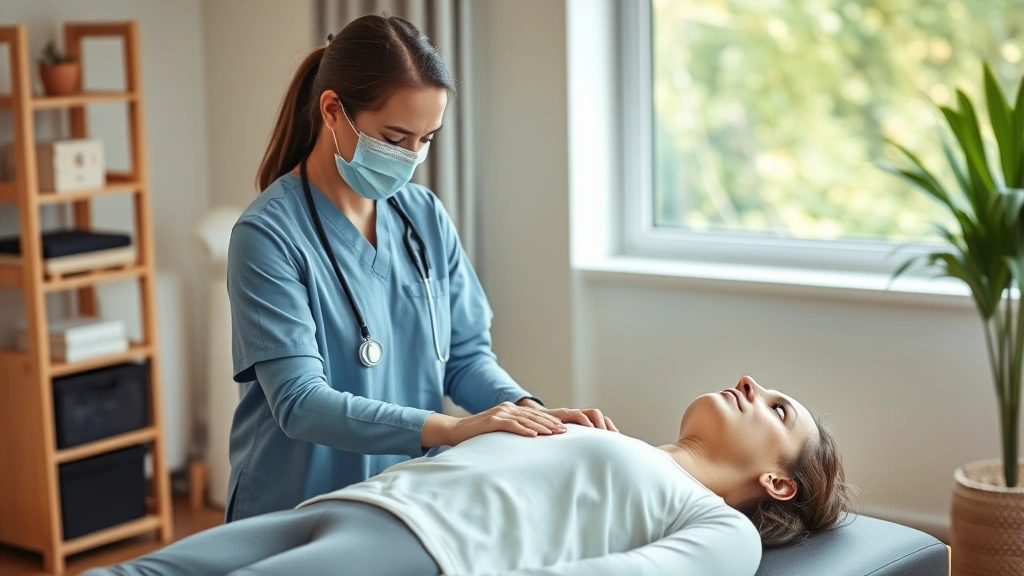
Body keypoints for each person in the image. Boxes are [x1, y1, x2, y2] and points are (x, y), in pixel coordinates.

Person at [222, 14, 616, 522]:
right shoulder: (268, 235)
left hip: (401, 501)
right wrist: (452, 429)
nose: (411, 158)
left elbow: (465, 358)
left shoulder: (423, 215)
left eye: (426, 140)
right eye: (395, 137)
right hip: (293, 506)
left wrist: (524, 411)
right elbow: (300, 401)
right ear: (333, 111)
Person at [85, 376, 852, 576]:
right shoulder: (612, 440)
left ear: (778, 484)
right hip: (364, 502)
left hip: (422, 550)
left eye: (779, 409)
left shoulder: (720, 531)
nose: (754, 386)